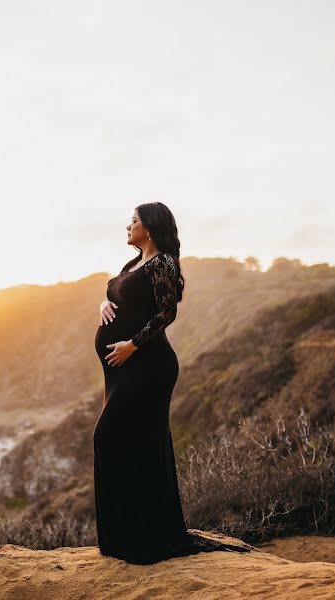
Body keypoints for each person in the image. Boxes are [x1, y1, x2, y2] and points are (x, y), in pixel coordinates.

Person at [92, 201, 249, 564]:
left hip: (149, 366)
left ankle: (144, 535)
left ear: (149, 226)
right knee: (126, 443)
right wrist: (103, 303)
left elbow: (167, 312)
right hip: (123, 370)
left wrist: (132, 345)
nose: (127, 226)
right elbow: (118, 295)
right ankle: (126, 534)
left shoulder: (162, 262)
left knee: (118, 438)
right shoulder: (134, 264)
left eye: (133, 220)